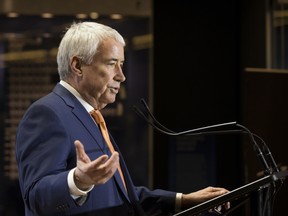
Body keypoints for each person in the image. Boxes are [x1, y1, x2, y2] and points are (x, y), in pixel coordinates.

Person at [15, 21, 230, 216]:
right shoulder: (47, 113)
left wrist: (182, 200)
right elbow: (36, 197)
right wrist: (77, 181)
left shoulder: (90, 115)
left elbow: (119, 195)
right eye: (111, 64)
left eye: (121, 64)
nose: (121, 75)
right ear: (77, 66)